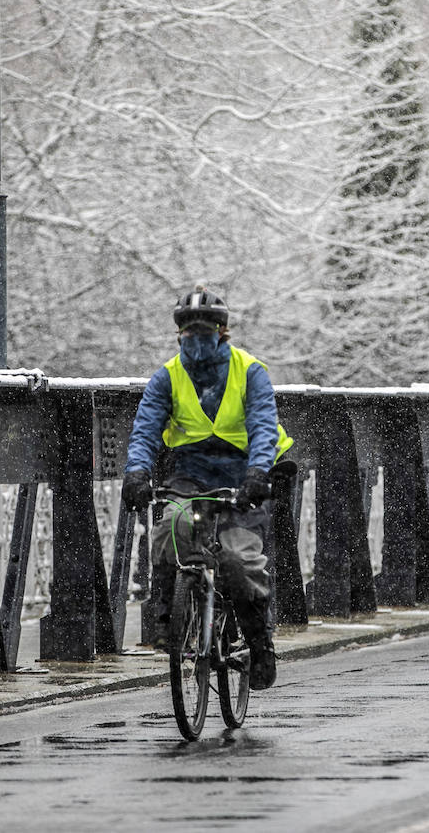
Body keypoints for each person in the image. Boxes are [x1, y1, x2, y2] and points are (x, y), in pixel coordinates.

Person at [121, 284, 292, 691]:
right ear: (180, 334)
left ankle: (258, 640)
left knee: (238, 559)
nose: (197, 338)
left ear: (222, 331)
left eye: (206, 329)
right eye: (189, 331)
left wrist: (258, 474)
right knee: (171, 527)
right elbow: (145, 430)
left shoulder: (250, 371)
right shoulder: (168, 377)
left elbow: (264, 427)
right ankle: (167, 616)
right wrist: (137, 473)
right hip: (191, 471)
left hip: (243, 473)